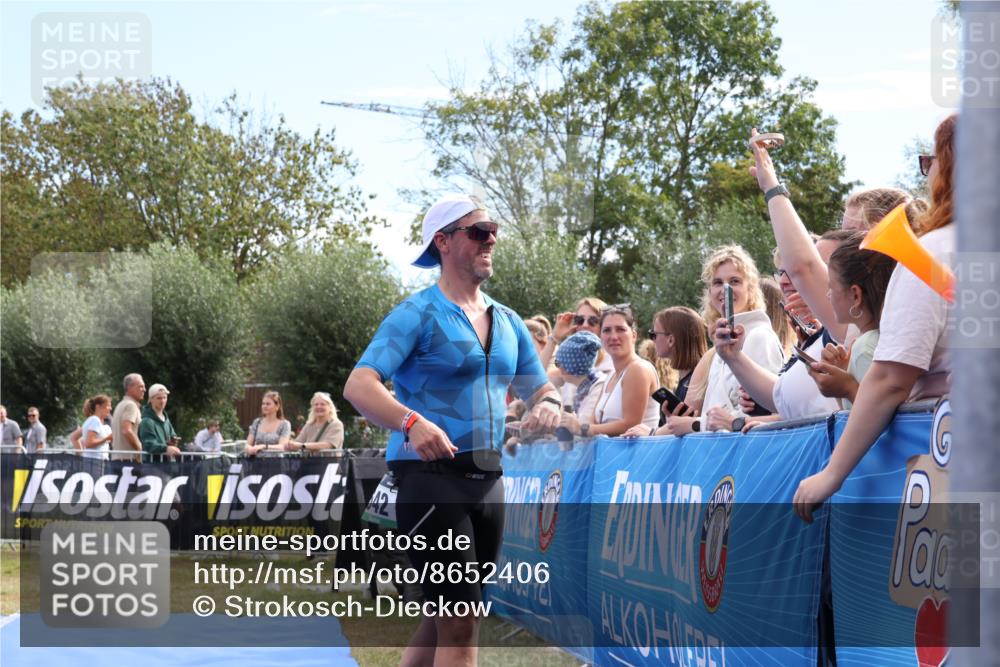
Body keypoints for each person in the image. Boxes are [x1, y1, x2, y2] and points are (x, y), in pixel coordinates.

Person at [343, 194, 559, 666]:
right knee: (460, 621)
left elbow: (541, 387)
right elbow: (358, 384)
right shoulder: (417, 313)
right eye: (479, 231)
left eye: (493, 231)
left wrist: (549, 404)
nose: (491, 239)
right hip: (430, 480)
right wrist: (411, 421)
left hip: (489, 482)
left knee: (450, 617)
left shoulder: (508, 321)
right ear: (442, 242)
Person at [794, 114, 958, 522]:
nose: (927, 173)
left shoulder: (932, 255)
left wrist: (831, 474)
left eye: (930, 161)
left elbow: (889, 380)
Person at [749, 128, 920, 345]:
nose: (842, 246)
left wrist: (771, 186)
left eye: (851, 235)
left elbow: (803, 267)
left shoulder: (889, 309)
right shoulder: (868, 312)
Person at [664, 246, 786, 435]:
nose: (725, 289)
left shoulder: (759, 336)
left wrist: (697, 424)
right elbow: (716, 411)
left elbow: (775, 411)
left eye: (735, 281)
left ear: (750, 289)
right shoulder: (720, 345)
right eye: (718, 282)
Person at [806, 232, 897, 408]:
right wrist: (843, 373)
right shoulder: (877, 342)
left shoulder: (865, 348)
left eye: (832, 288)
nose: (828, 295)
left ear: (855, 295)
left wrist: (847, 388)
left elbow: (879, 417)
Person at [560, 305, 659, 437]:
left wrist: (582, 428)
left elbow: (631, 425)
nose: (613, 336)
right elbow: (594, 423)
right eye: (607, 330)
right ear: (600, 337)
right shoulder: (610, 376)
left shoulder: (638, 369)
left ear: (634, 335)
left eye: (620, 329)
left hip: (637, 450)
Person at [548, 331, 607, 426]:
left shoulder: (598, 386)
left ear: (567, 367)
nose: (558, 368)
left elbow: (585, 424)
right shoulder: (585, 384)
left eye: (558, 363)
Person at [139, 384, 181, 459]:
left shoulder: (166, 419)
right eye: (159, 398)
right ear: (151, 399)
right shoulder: (147, 421)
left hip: (167, 463)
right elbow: (149, 444)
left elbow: (172, 437)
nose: (162, 401)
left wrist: (173, 441)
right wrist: (166, 448)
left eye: (164, 398)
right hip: (152, 464)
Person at [244, 390, 292, 456]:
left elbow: (282, 447)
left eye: (268, 404)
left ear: (277, 406)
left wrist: (264, 446)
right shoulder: (257, 422)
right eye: (263, 404)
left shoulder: (285, 424)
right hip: (256, 461)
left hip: (276, 461)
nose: (264, 406)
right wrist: (249, 449)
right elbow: (248, 444)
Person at [112, 373, 146, 461]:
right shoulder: (131, 405)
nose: (144, 390)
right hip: (129, 459)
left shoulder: (120, 405)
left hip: (118, 459)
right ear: (130, 387)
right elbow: (127, 430)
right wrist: (139, 449)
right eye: (141, 386)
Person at [80, 395, 114, 460]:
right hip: (94, 461)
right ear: (98, 407)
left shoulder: (95, 421)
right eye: (108, 406)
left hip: (97, 461)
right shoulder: (94, 420)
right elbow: (89, 443)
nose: (110, 408)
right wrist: (107, 438)